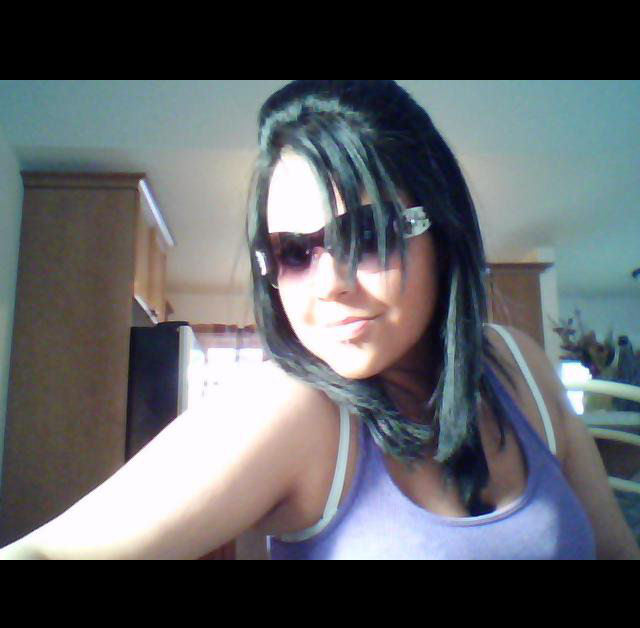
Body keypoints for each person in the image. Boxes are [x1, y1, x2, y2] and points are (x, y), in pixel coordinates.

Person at [1, 80, 638, 559]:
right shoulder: (295, 410)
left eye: (369, 233)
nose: (331, 284)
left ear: (440, 228)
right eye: (294, 251)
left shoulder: (519, 365)